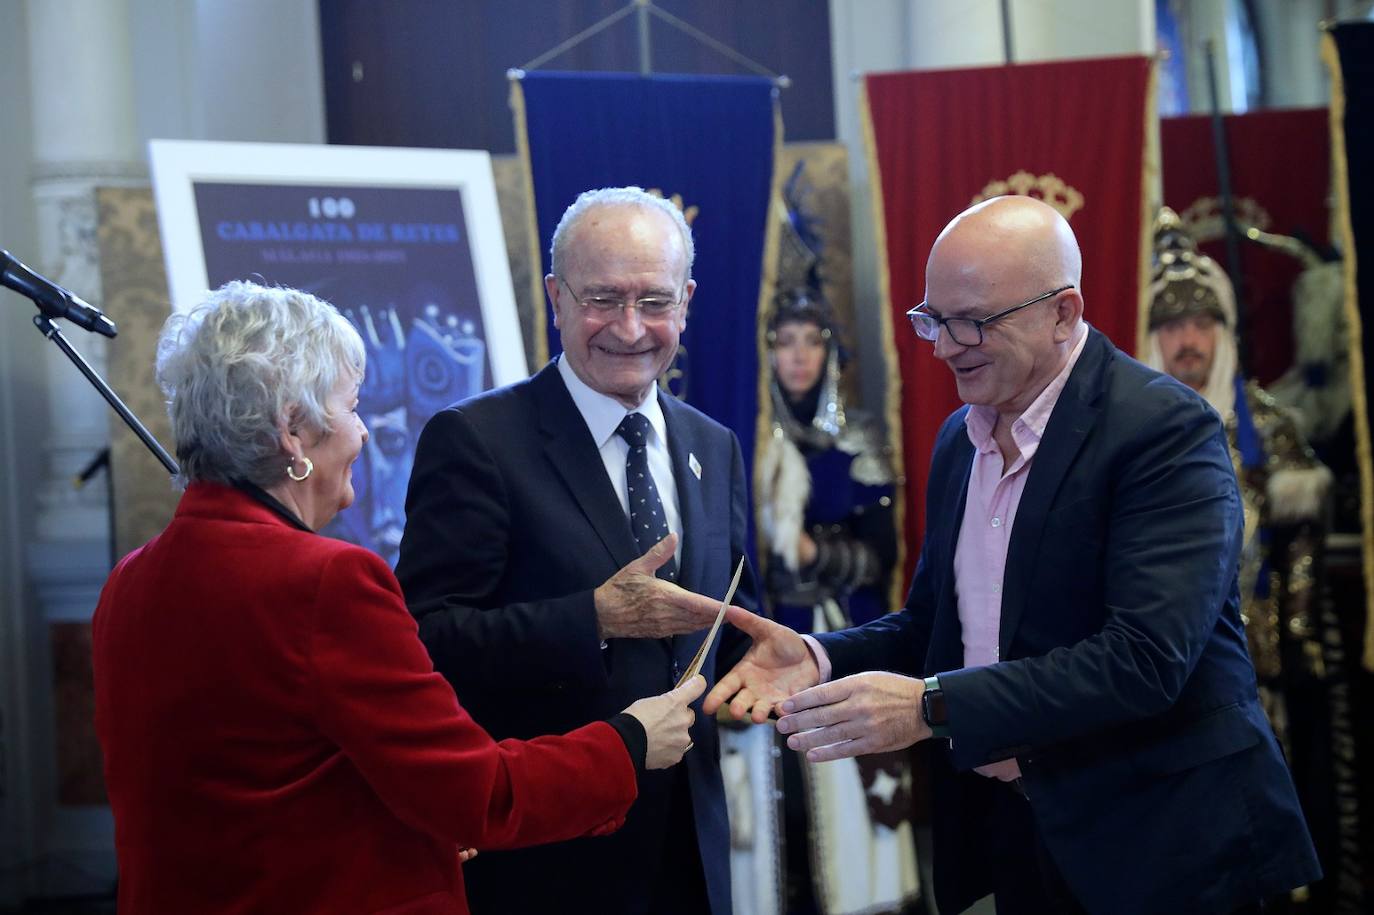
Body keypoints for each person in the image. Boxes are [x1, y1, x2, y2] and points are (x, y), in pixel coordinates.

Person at [705, 195, 1321, 914]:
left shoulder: (1163, 428)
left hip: (1161, 840)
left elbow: (1145, 660)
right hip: (1017, 831)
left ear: (1063, 312)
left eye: (973, 321)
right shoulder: (959, 439)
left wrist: (932, 706)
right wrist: (818, 656)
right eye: (932, 319)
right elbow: (937, 626)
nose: (944, 346)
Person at [93, 281, 704, 915]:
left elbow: (260, 783)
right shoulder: (326, 584)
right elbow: (480, 795)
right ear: (293, 432)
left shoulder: (129, 581)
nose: (362, 433)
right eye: (353, 407)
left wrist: (412, 830)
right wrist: (629, 743)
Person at [395, 186, 756, 915]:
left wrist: (786, 666)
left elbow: (733, 620)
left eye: (654, 301)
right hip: (545, 858)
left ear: (686, 302)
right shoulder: (476, 441)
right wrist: (591, 618)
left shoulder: (713, 446)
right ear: (556, 297)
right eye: (603, 299)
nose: (630, 327)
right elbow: (425, 641)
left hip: (690, 852)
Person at [1145, 209, 1357, 910]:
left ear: (1224, 330)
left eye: (1200, 324)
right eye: (1172, 326)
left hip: (1258, 672)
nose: (1187, 341)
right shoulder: (1130, 439)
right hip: (1156, 676)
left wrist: (1286, 634)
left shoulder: (1268, 426)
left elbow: (1301, 540)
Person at [754, 289, 920, 914]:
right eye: (784, 342)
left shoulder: (859, 440)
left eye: (811, 342)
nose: (798, 357)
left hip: (837, 632)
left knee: (847, 787)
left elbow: (881, 556)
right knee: (773, 798)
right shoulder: (744, 436)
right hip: (764, 631)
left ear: (829, 353)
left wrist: (811, 553)